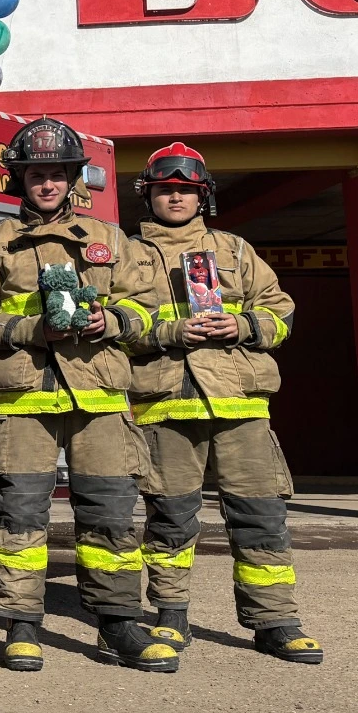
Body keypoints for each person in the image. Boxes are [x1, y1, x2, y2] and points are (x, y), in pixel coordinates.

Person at [0, 119, 178, 673]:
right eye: (36, 175)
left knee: (110, 513)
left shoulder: (109, 239)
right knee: (20, 515)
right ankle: (20, 624)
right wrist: (34, 330)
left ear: (71, 178)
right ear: (21, 180)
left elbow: (148, 311)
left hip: (102, 397)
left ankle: (119, 624)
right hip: (25, 400)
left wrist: (107, 319)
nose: (47, 185)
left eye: (56, 175)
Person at [125, 144, 321, 663]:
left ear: (202, 196)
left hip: (241, 406)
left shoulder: (234, 250)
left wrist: (244, 325)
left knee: (261, 517)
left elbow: (281, 311)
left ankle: (275, 620)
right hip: (165, 405)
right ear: (148, 194)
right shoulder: (125, 255)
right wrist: (167, 331)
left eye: (186, 189)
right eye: (165, 188)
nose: (175, 197)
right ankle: (169, 615)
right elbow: (111, 325)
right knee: (169, 518)